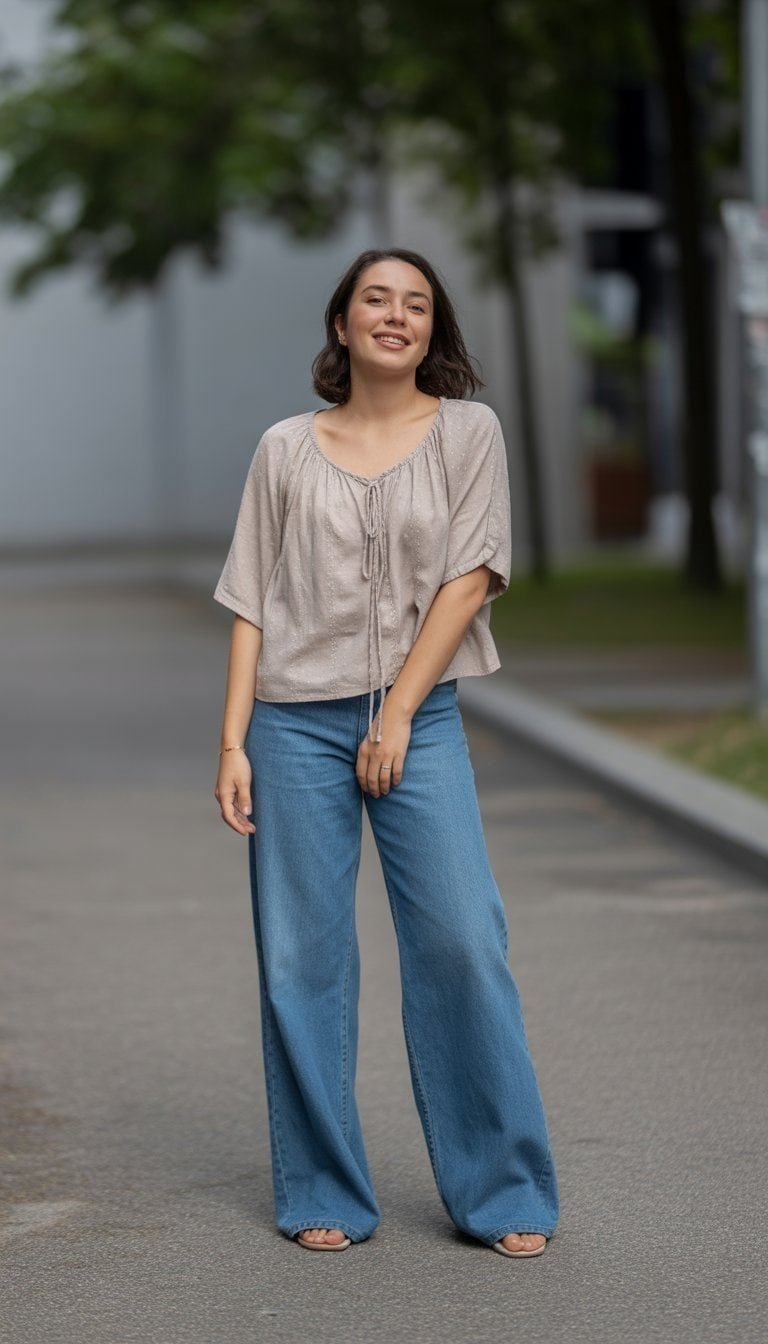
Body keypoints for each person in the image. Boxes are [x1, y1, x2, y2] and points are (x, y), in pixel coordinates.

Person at [212, 247, 559, 1257]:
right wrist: (231, 738)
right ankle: (322, 1182)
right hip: (291, 724)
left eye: (416, 304)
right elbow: (250, 601)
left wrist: (399, 711)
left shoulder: (467, 433)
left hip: (422, 718)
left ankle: (502, 1191)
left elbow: (473, 573)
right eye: (377, 299)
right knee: (301, 960)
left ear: (431, 330)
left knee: (462, 942)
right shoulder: (283, 447)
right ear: (342, 324)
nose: (396, 316)